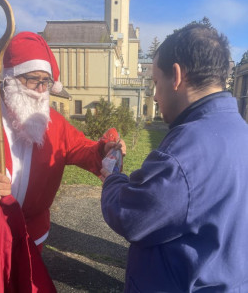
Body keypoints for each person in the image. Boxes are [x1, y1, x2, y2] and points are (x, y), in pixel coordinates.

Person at [100, 24, 248, 292]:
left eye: (156, 82)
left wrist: (113, 179)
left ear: (177, 76)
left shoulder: (184, 152)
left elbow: (131, 216)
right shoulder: (241, 132)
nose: (155, 96)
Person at [0, 31, 124, 291]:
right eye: (34, 81)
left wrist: (103, 150)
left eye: (47, 82)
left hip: (31, 234)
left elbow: (79, 147)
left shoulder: (52, 121)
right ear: (11, 77)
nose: (42, 91)